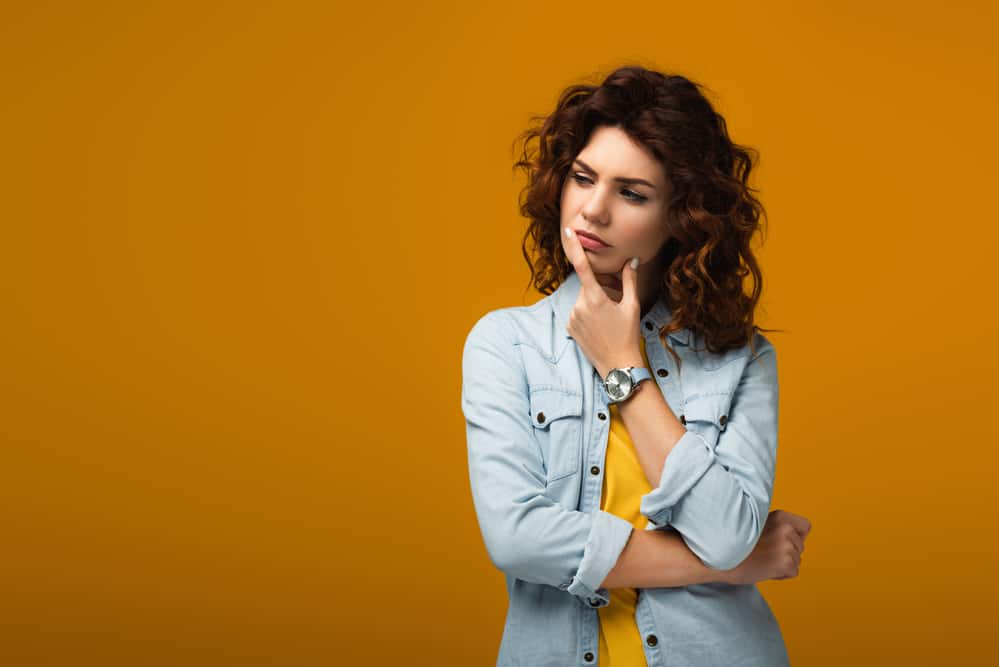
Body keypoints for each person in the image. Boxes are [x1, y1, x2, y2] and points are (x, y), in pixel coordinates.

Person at [461, 65, 813, 666]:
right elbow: (517, 538)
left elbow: (728, 532)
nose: (592, 210)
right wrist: (731, 569)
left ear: (681, 217)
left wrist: (623, 367)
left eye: (632, 193)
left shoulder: (740, 357)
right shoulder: (505, 345)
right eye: (582, 177)